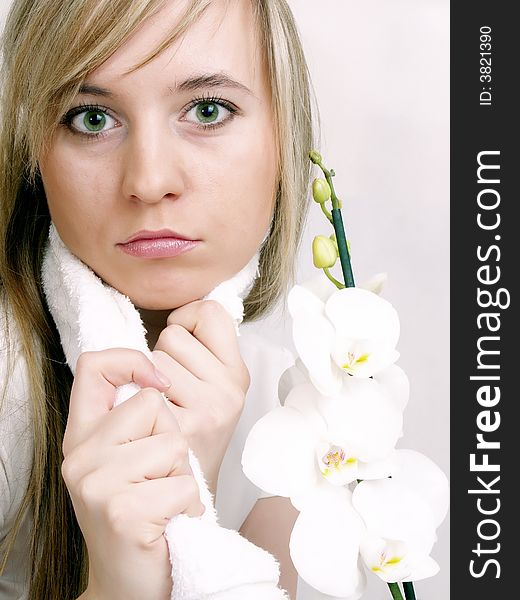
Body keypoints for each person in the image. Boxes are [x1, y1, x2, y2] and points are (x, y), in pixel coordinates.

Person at [0, 0, 316, 598]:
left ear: (284, 134)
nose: (147, 181)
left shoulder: (305, 417)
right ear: (34, 154)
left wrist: (190, 502)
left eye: (206, 109)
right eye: (92, 119)